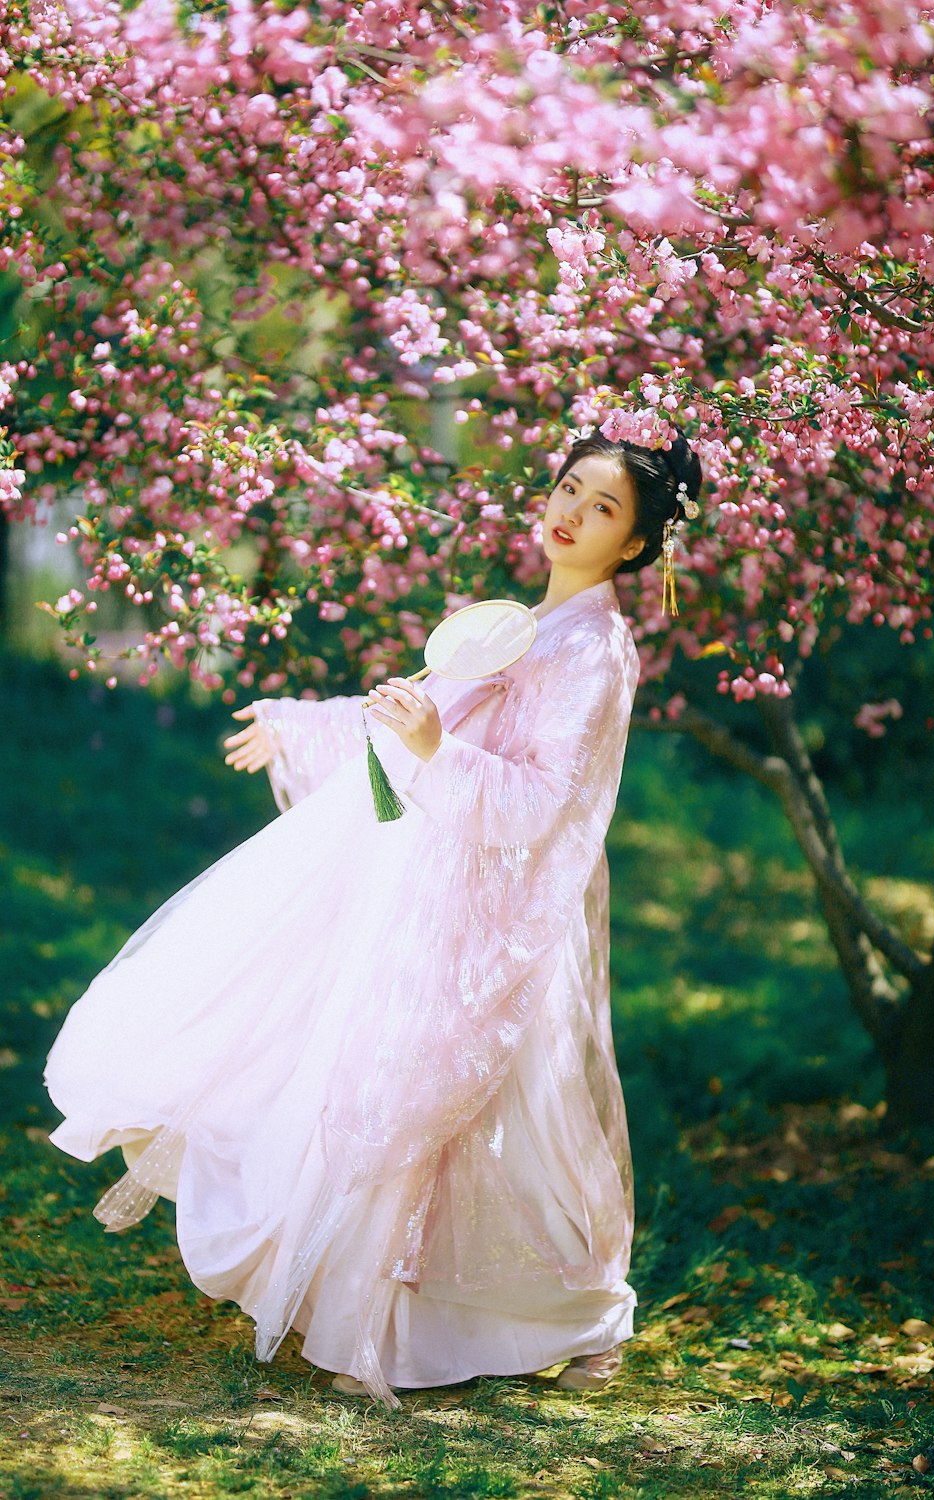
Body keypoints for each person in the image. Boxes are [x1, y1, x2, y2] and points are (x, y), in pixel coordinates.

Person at [44, 428, 702, 1408]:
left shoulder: (596, 654)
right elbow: (412, 716)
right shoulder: (522, 623)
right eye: (567, 487)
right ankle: (384, 1317)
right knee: (387, 1087)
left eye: (602, 507)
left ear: (639, 545)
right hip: (430, 888)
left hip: (502, 912)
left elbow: (539, 804)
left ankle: (565, 1316)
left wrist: (440, 750)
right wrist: (297, 723)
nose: (569, 511)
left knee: (486, 1112)